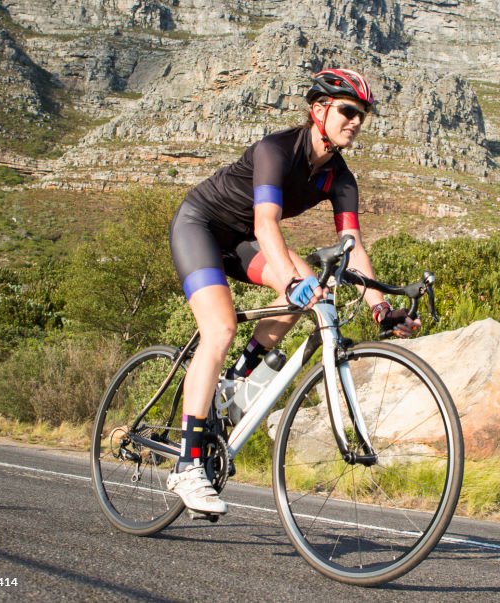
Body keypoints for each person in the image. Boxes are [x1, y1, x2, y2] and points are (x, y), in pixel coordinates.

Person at [166, 68, 420, 514]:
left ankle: (237, 380)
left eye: (361, 115)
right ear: (318, 110)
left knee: (317, 292)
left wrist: (381, 307)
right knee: (220, 328)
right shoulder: (276, 150)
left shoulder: (340, 178)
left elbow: (352, 246)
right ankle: (187, 467)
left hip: (242, 242)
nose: (356, 121)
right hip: (201, 227)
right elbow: (267, 224)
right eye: (347, 111)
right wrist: (288, 282)